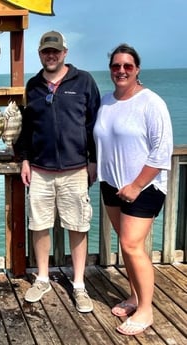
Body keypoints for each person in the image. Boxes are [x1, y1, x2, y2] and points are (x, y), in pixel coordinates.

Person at [93, 44, 173, 336]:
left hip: (145, 186)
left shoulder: (151, 103)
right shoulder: (106, 102)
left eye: (127, 65)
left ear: (137, 69)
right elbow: (101, 141)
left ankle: (146, 310)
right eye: (116, 66)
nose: (121, 71)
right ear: (110, 69)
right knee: (126, 244)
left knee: (131, 246)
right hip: (111, 184)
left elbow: (161, 152)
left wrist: (137, 185)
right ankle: (135, 296)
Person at [19, 31, 100, 313]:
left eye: (55, 51)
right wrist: (25, 160)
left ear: (65, 52)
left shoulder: (84, 81)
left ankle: (79, 284)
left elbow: (94, 125)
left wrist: (94, 160)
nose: (50, 55)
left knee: (77, 225)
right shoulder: (33, 86)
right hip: (40, 170)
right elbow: (26, 130)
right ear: (40, 54)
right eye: (45, 52)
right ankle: (42, 277)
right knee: (38, 225)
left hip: (76, 168)